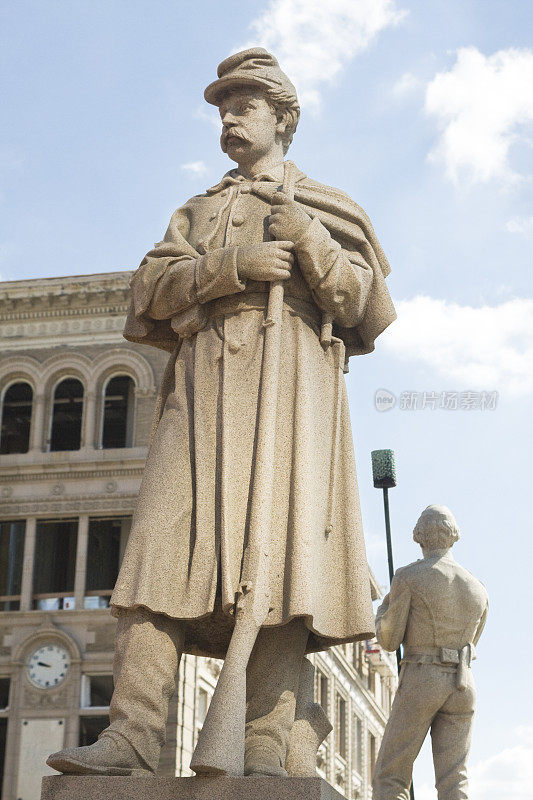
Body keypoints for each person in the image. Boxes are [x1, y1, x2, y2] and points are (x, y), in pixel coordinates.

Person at [48, 47, 395, 778]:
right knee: (154, 555)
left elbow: (367, 307)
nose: (229, 119)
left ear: (282, 118)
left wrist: (304, 241)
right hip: (202, 390)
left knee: (283, 559)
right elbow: (147, 295)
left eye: (244, 106)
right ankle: (132, 736)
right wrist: (231, 268)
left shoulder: (330, 208)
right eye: (222, 108)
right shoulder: (199, 210)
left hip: (292, 393)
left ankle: (266, 737)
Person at [372, 505, 489, 800]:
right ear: (452, 537)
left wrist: (382, 611)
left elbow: (389, 639)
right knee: (454, 780)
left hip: (423, 677)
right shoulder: (478, 588)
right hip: (463, 683)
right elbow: (475, 639)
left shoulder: (409, 577)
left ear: (419, 536)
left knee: (392, 774)